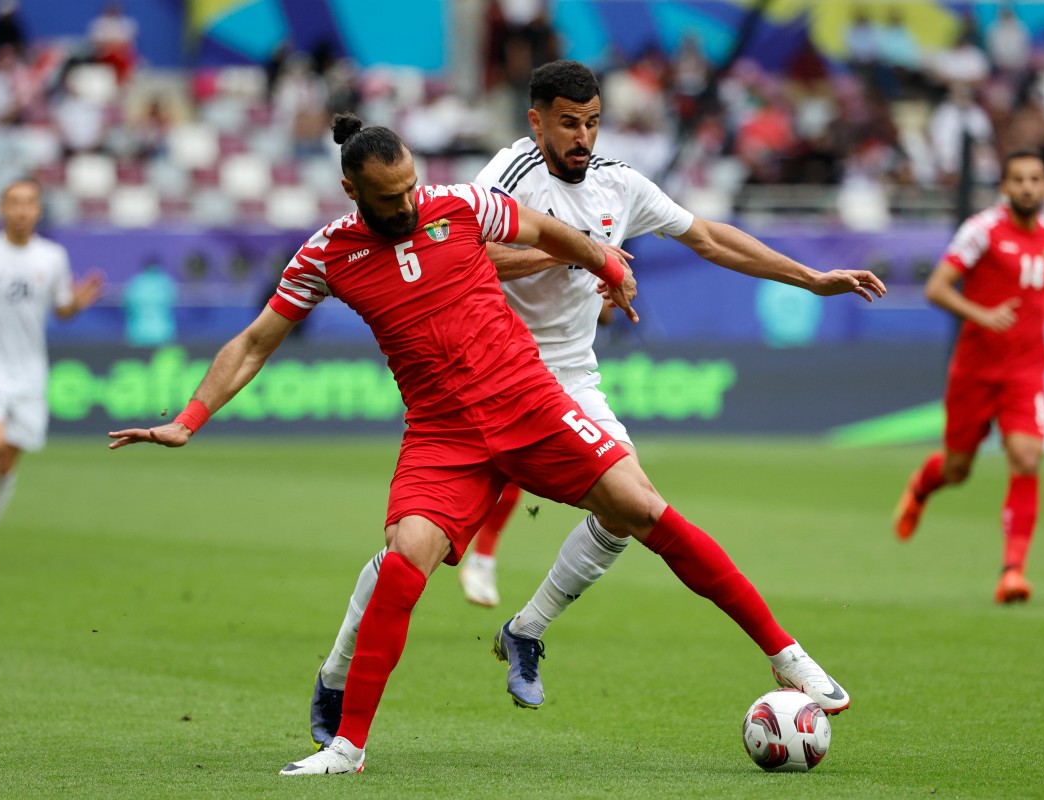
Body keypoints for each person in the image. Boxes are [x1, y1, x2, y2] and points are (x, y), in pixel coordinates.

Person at [109, 113, 860, 777]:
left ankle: (784, 653)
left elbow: (548, 232)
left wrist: (607, 262)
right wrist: (191, 417)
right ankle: (348, 746)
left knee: (641, 508)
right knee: (406, 558)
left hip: (529, 401)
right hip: (442, 433)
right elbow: (255, 340)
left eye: (409, 188)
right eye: (387, 198)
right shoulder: (324, 255)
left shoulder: (460, 203)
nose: (405, 205)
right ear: (351, 191)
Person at [314, 61, 887, 751]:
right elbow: (466, 257)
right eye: (567, 123)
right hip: (490, 372)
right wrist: (585, 254)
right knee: (415, 547)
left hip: (572, 378)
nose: (582, 136)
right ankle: (341, 672)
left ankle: (526, 629)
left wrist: (810, 278)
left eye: (591, 122)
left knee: (631, 508)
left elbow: (705, 236)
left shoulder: (620, 182)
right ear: (537, 121)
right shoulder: (507, 173)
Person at [893, 151, 1044, 604]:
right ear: (1005, 187)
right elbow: (937, 287)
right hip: (975, 370)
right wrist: (983, 314)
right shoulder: (982, 230)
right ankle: (921, 486)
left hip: (1026, 371)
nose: (1028, 187)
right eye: (1019, 180)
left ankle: (1012, 571)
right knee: (957, 469)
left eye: (1036, 179)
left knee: (1027, 457)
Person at [0, 179, 103, 571]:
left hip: (30, 372)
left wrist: (78, 304)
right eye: (14, 202)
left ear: (37, 210)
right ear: (3, 208)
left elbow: (62, 309)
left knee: (5, 464)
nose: (21, 210)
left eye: (29, 203)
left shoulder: (52, 257)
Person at [123, 256, 177, 347]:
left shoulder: (135, 283)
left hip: (138, 333)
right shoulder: (165, 282)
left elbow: (124, 306)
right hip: (161, 333)